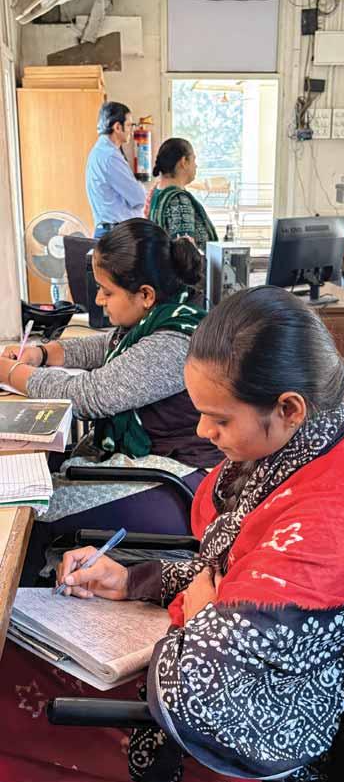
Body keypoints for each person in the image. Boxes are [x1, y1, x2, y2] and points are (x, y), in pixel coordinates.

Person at [0, 286, 344, 782]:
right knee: (15, 653)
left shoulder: (327, 524)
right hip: (221, 677)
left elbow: (201, 694)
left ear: (289, 408)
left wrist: (202, 612)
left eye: (221, 419)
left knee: (8, 689)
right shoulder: (312, 452)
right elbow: (230, 576)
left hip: (244, 737)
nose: (204, 431)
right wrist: (134, 579)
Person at [0, 219, 221, 578]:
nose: (99, 300)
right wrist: (42, 354)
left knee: (29, 511)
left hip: (179, 483)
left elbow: (89, 396)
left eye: (106, 291)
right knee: (41, 480)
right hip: (155, 465)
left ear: (145, 295)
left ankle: (29, 602)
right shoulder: (161, 319)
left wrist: (10, 373)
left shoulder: (174, 343)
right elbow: (105, 345)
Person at [145, 138, 218, 250]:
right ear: (184, 162)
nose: (196, 166)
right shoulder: (178, 199)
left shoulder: (157, 192)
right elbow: (185, 252)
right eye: (194, 160)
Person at [86, 102, 145, 238]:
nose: (132, 130)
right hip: (116, 234)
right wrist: (140, 187)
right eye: (129, 125)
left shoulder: (101, 151)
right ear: (118, 127)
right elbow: (139, 198)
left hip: (110, 231)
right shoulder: (110, 156)